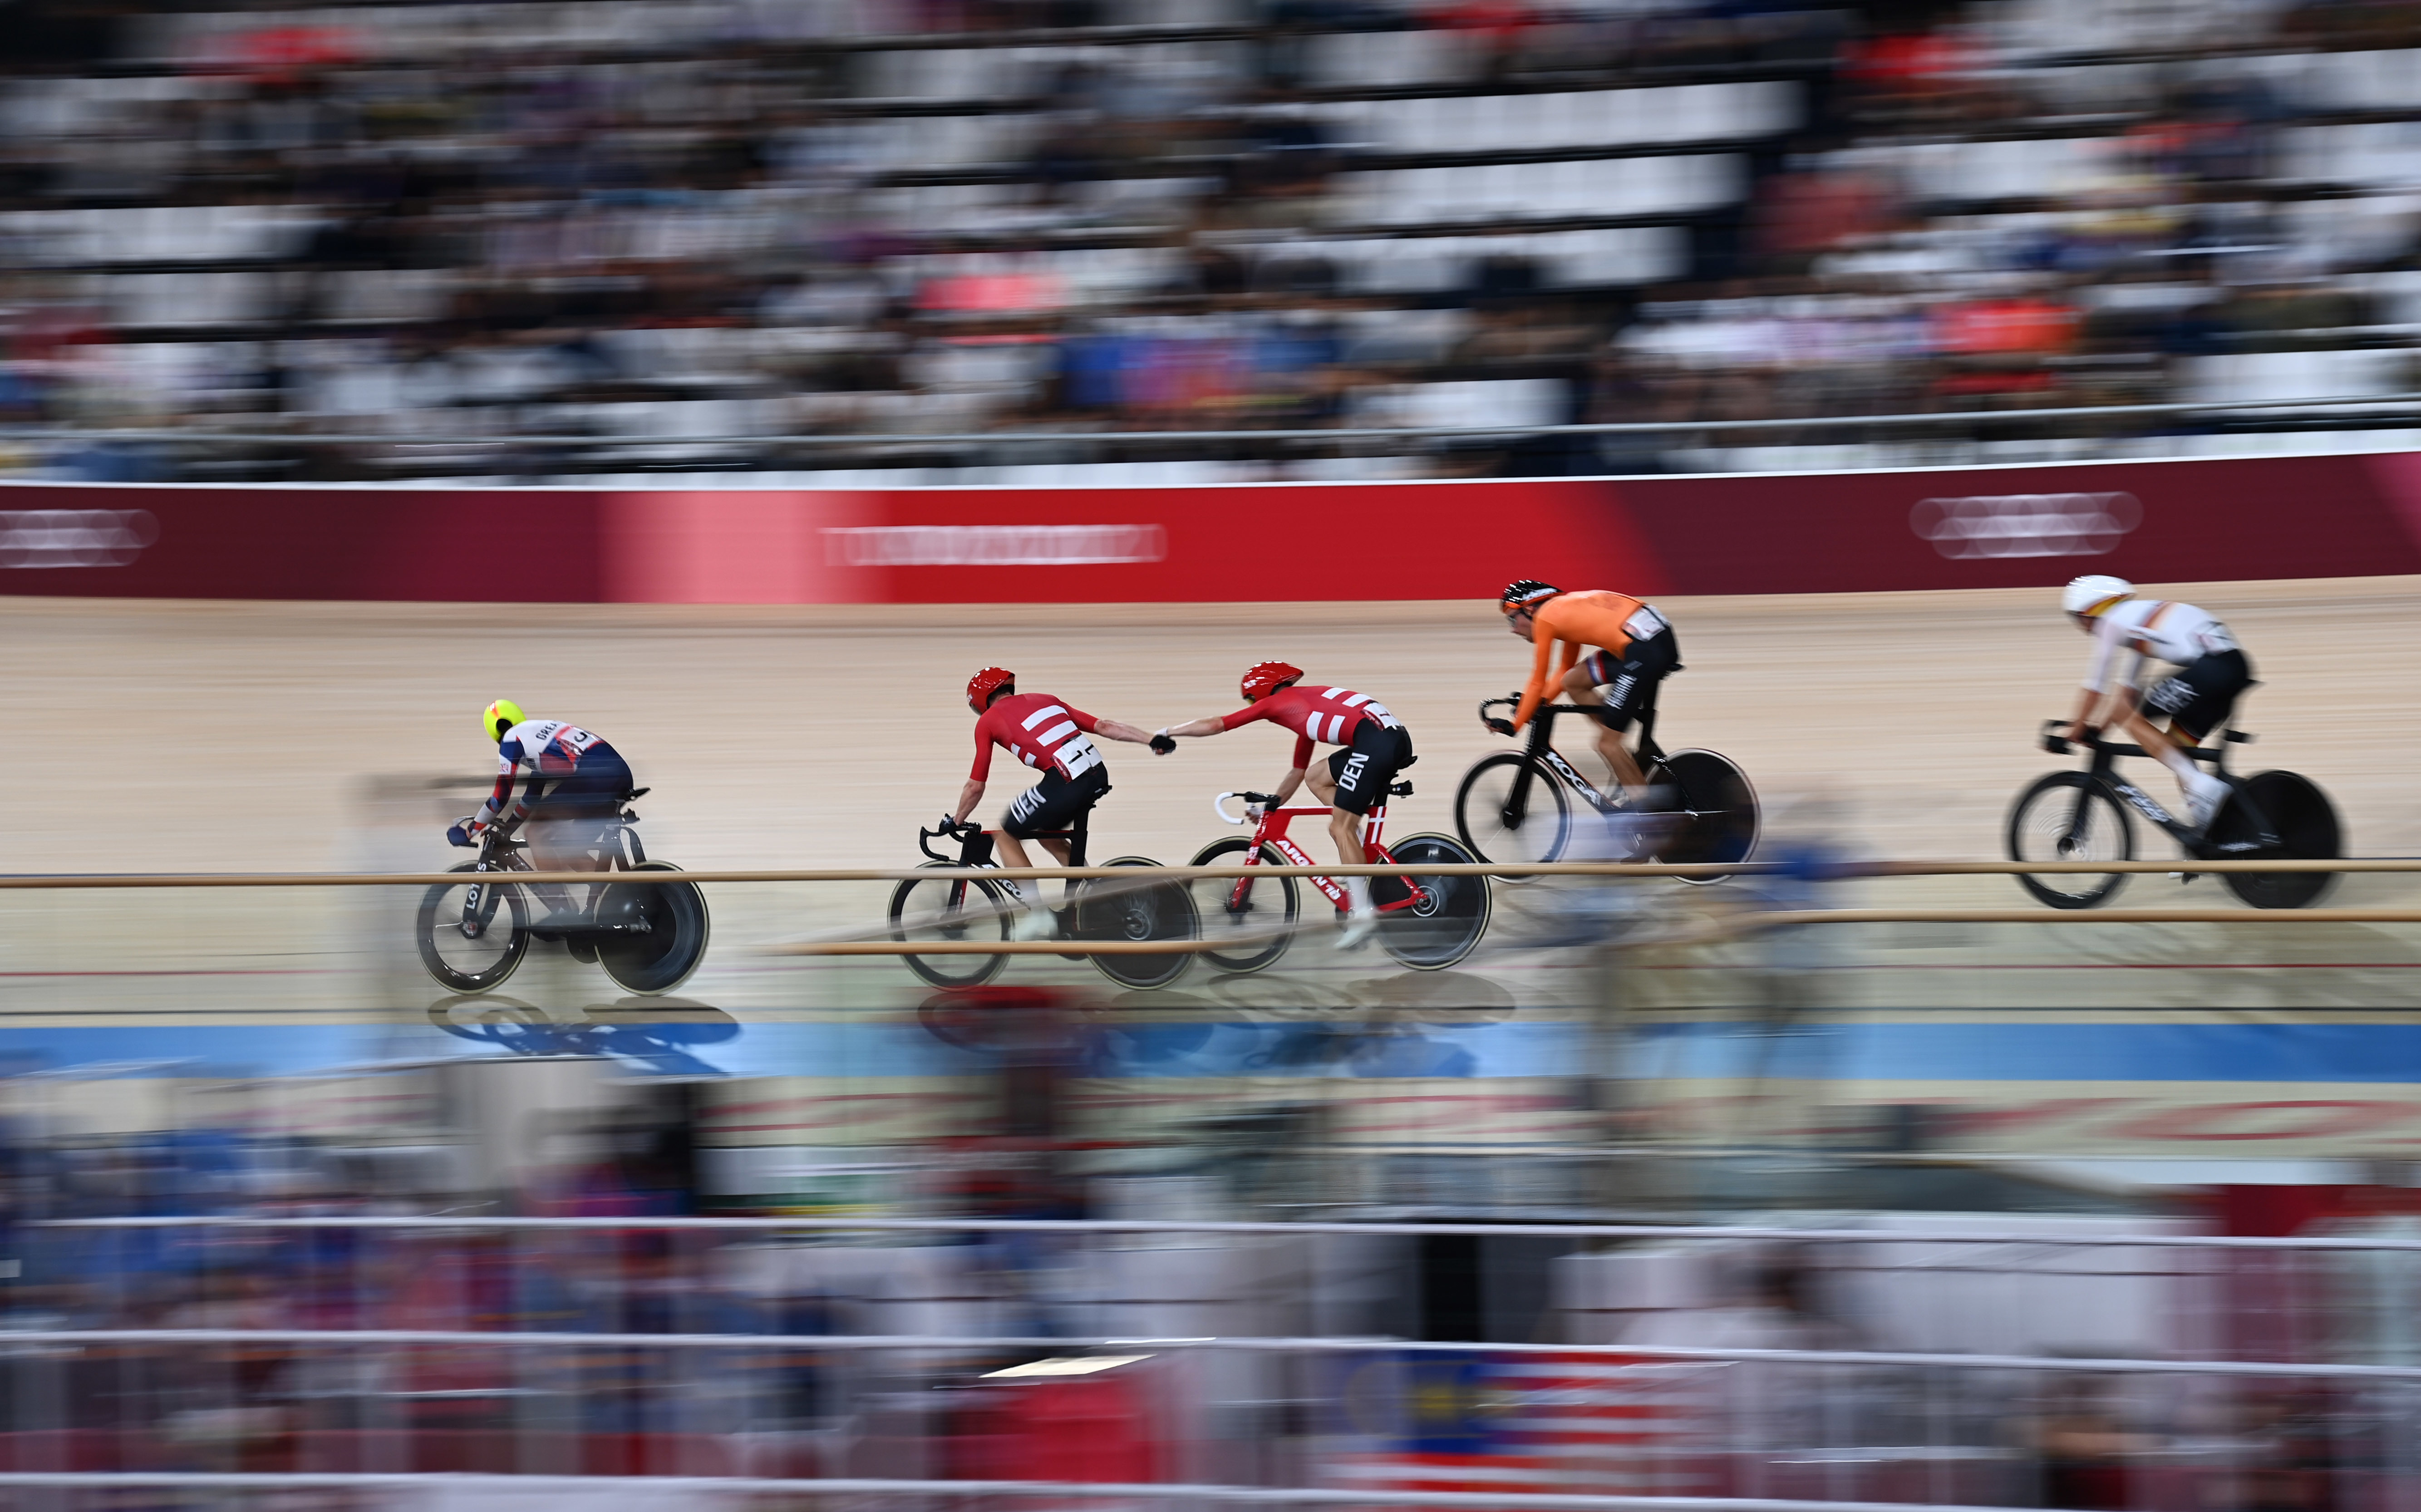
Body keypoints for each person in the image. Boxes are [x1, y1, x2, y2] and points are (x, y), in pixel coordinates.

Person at [1154, 661, 1412, 948]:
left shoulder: (1279, 701)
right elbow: (1299, 773)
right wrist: (1273, 804)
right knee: (1318, 777)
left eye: (1251, 699)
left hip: (1376, 743)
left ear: (1262, 691)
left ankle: (1363, 913)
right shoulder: (1303, 706)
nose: (1252, 705)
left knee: (1340, 828)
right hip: (1386, 739)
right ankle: (1355, 847)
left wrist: (1169, 731)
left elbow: (1219, 724)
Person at [954, 667, 1166, 940]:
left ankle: (1039, 915)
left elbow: (976, 786)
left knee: (1004, 835)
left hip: (1066, 780)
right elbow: (1104, 726)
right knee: (1047, 834)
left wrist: (957, 819)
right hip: (1097, 773)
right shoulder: (1047, 699)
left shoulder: (988, 721)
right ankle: (1092, 897)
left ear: (981, 700)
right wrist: (1151, 739)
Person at [2057, 574, 2247, 830]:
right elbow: (2128, 693)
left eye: (2077, 618)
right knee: (2175, 751)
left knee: (2190, 774)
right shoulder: (2136, 620)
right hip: (2230, 668)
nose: (2080, 626)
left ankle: (2203, 787)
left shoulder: (2110, 623)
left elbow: (2096, 686)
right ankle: (2208, 840)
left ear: (2089, 610)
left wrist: (2076, 729)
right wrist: (2100, 729)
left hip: (2212, 670)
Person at [450, 699, 635, 935]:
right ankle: (615, 899)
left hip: (596, 775)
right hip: (615, 773)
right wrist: (508, 827)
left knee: (538, 833)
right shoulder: (537, 737)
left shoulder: (512, 739)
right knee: (567, 848)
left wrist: (470, 831)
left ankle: (563, 913)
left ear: (494, 730)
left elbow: (500, 796)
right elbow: (531, 798)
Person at [1492, 579, 1679, 803]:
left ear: (1530, 609)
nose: (1513, 629)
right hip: (1647, 640)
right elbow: (1564, 672)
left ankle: (1647, 810)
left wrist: (1516, 724)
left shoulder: (1546, 618)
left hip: (1644, 649)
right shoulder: (1564, 610)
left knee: (1606, 744)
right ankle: (1621, 755)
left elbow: (1537, 680)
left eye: (1512, 618)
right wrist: (1532, 705)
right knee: (1574, 681)